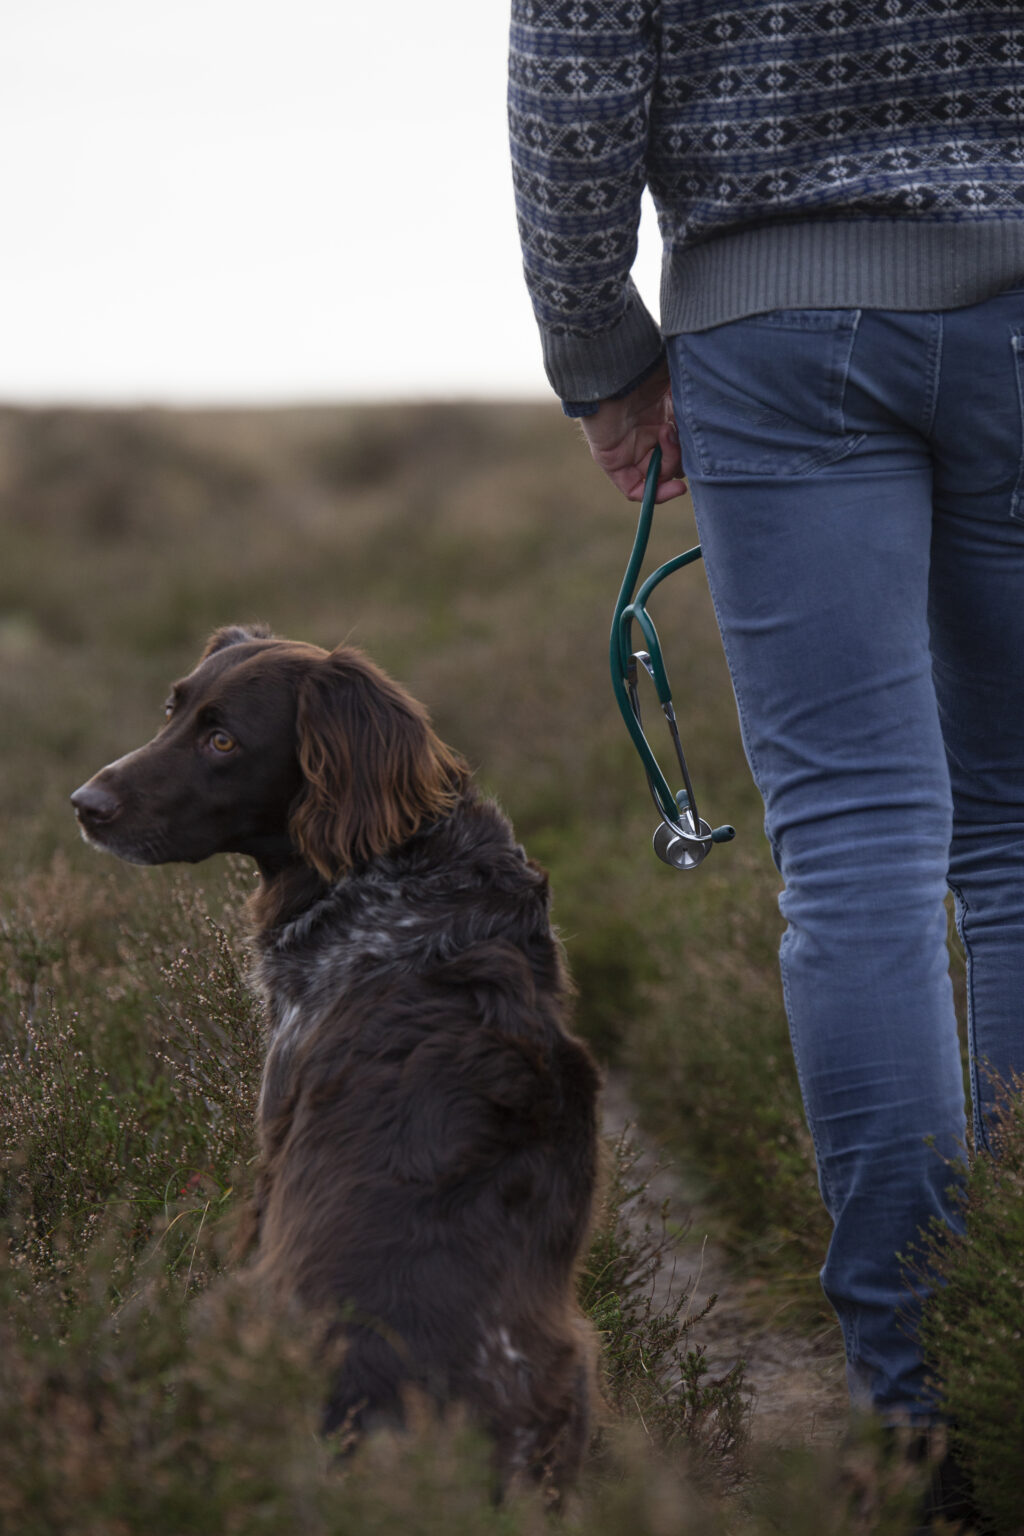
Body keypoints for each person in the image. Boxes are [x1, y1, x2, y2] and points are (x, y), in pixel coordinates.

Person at [509, 0, 1024, 1496]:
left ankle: (915, 1410)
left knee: (859, 851)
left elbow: (574, 86)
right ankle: (1014, 1352)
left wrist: (603, 356)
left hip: (774, 326)